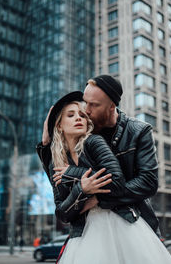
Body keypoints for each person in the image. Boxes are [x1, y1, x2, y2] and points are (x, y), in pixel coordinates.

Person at [37, 91, 171, 264]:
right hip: (83, 232)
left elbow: (117, 182)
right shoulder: (55, 163)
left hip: (120, 222)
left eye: (82, 115)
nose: (78, 118)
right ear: (59, 126)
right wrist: (82, 189)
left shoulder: (94, 142)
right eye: (71, 115)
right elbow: (62, 213)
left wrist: (73, 175)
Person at [37, 75, 159, 235]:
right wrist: (46, 145)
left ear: (111, 106)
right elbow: (59, 183)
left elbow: (148, 182)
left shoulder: (138, 131)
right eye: (85, 102)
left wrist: (99, 199)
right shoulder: (83, 130)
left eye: (93, 105)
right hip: (88, 229)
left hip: (132, 221)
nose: (85, 111)